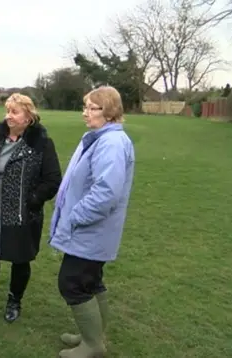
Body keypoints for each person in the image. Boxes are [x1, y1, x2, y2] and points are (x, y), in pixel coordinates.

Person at [48, 86, 135, 358]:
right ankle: (92, 336)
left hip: (90, 230)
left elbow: (106, 192)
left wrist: (75, 216)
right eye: (84, 106)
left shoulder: (111, 143)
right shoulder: (100, 138)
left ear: (109, 111)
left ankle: (93, 345)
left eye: (91, 107)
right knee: (91, 282)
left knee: (72, 282)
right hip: (92, 230)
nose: (84, 113)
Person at [0, 93, 62, 323]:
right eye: (7, 111)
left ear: (28, 117)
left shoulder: (41, 144)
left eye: (14, 112)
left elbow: (52, 180)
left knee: (20, 258)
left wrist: (33, 200)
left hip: (22, 211)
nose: (8, 116)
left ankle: (14, 301)